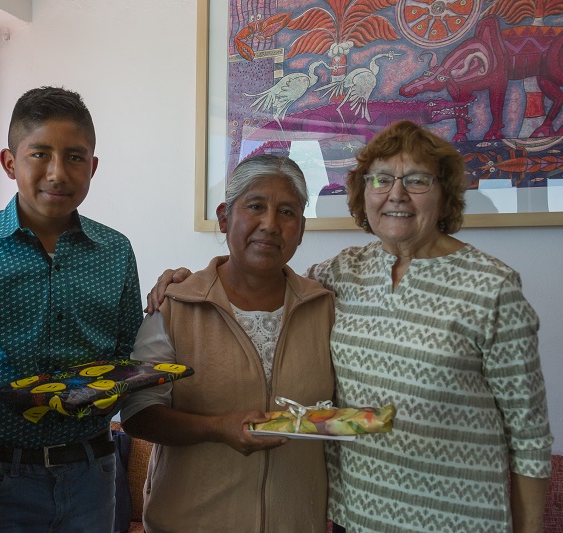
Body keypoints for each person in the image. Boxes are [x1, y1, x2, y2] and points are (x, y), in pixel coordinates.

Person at [150, 121, 553, 533]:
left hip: (456, 519)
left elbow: (529, 435)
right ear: (364, 194)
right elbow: (263, 280)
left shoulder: (491, 286)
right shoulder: (340, 275)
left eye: (416, 180)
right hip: (353, 519)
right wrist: (185, 280)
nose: (396, 194)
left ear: (445, 193)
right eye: (381, 180)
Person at [120, 154, 335, 533]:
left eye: (287, 212)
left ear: (301, 230)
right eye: (255, 206)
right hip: (190, 522)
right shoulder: (174, 306)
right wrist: (217, 428)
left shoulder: (324, 308)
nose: (270, 224)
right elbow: (138, 415)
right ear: (224, 217)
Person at [0, 87, 143, 533]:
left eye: (74, 157)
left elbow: (128, 350)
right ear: (10, 163)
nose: (57, 172)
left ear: (92, 166)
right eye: (39, 154)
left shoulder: (115, 250)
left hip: (92, 470)